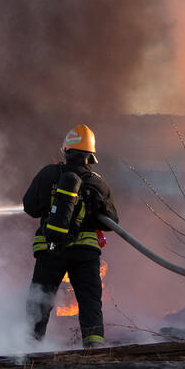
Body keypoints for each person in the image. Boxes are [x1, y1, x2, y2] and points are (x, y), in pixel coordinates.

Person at [23, 124, 118, 348]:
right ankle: (94, 349)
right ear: (91, 155)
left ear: (66, 151)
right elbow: (112, 222)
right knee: (89, 302)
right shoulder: (98, 183)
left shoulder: (48, 174)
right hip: (85, 253)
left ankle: (28, 350)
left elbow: (30, 207)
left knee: (39, 301)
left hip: (51, 249)